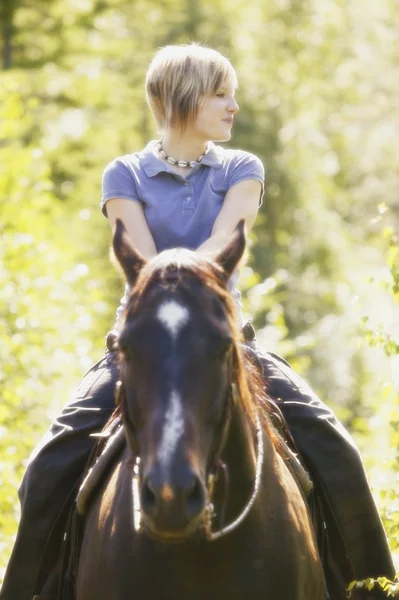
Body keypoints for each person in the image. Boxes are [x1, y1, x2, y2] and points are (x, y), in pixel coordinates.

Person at [1, 43, 395, 600]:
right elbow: (135, 257)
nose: (233, 106)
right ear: (184, 98)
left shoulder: (242, 169)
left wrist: (182, 268)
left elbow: (226, 238)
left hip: (225, 345)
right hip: (141, 350)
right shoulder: (125, 175)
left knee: (336, 448)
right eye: (220, 93)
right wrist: (176, 272)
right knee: (48, 463)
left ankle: (370, 586)